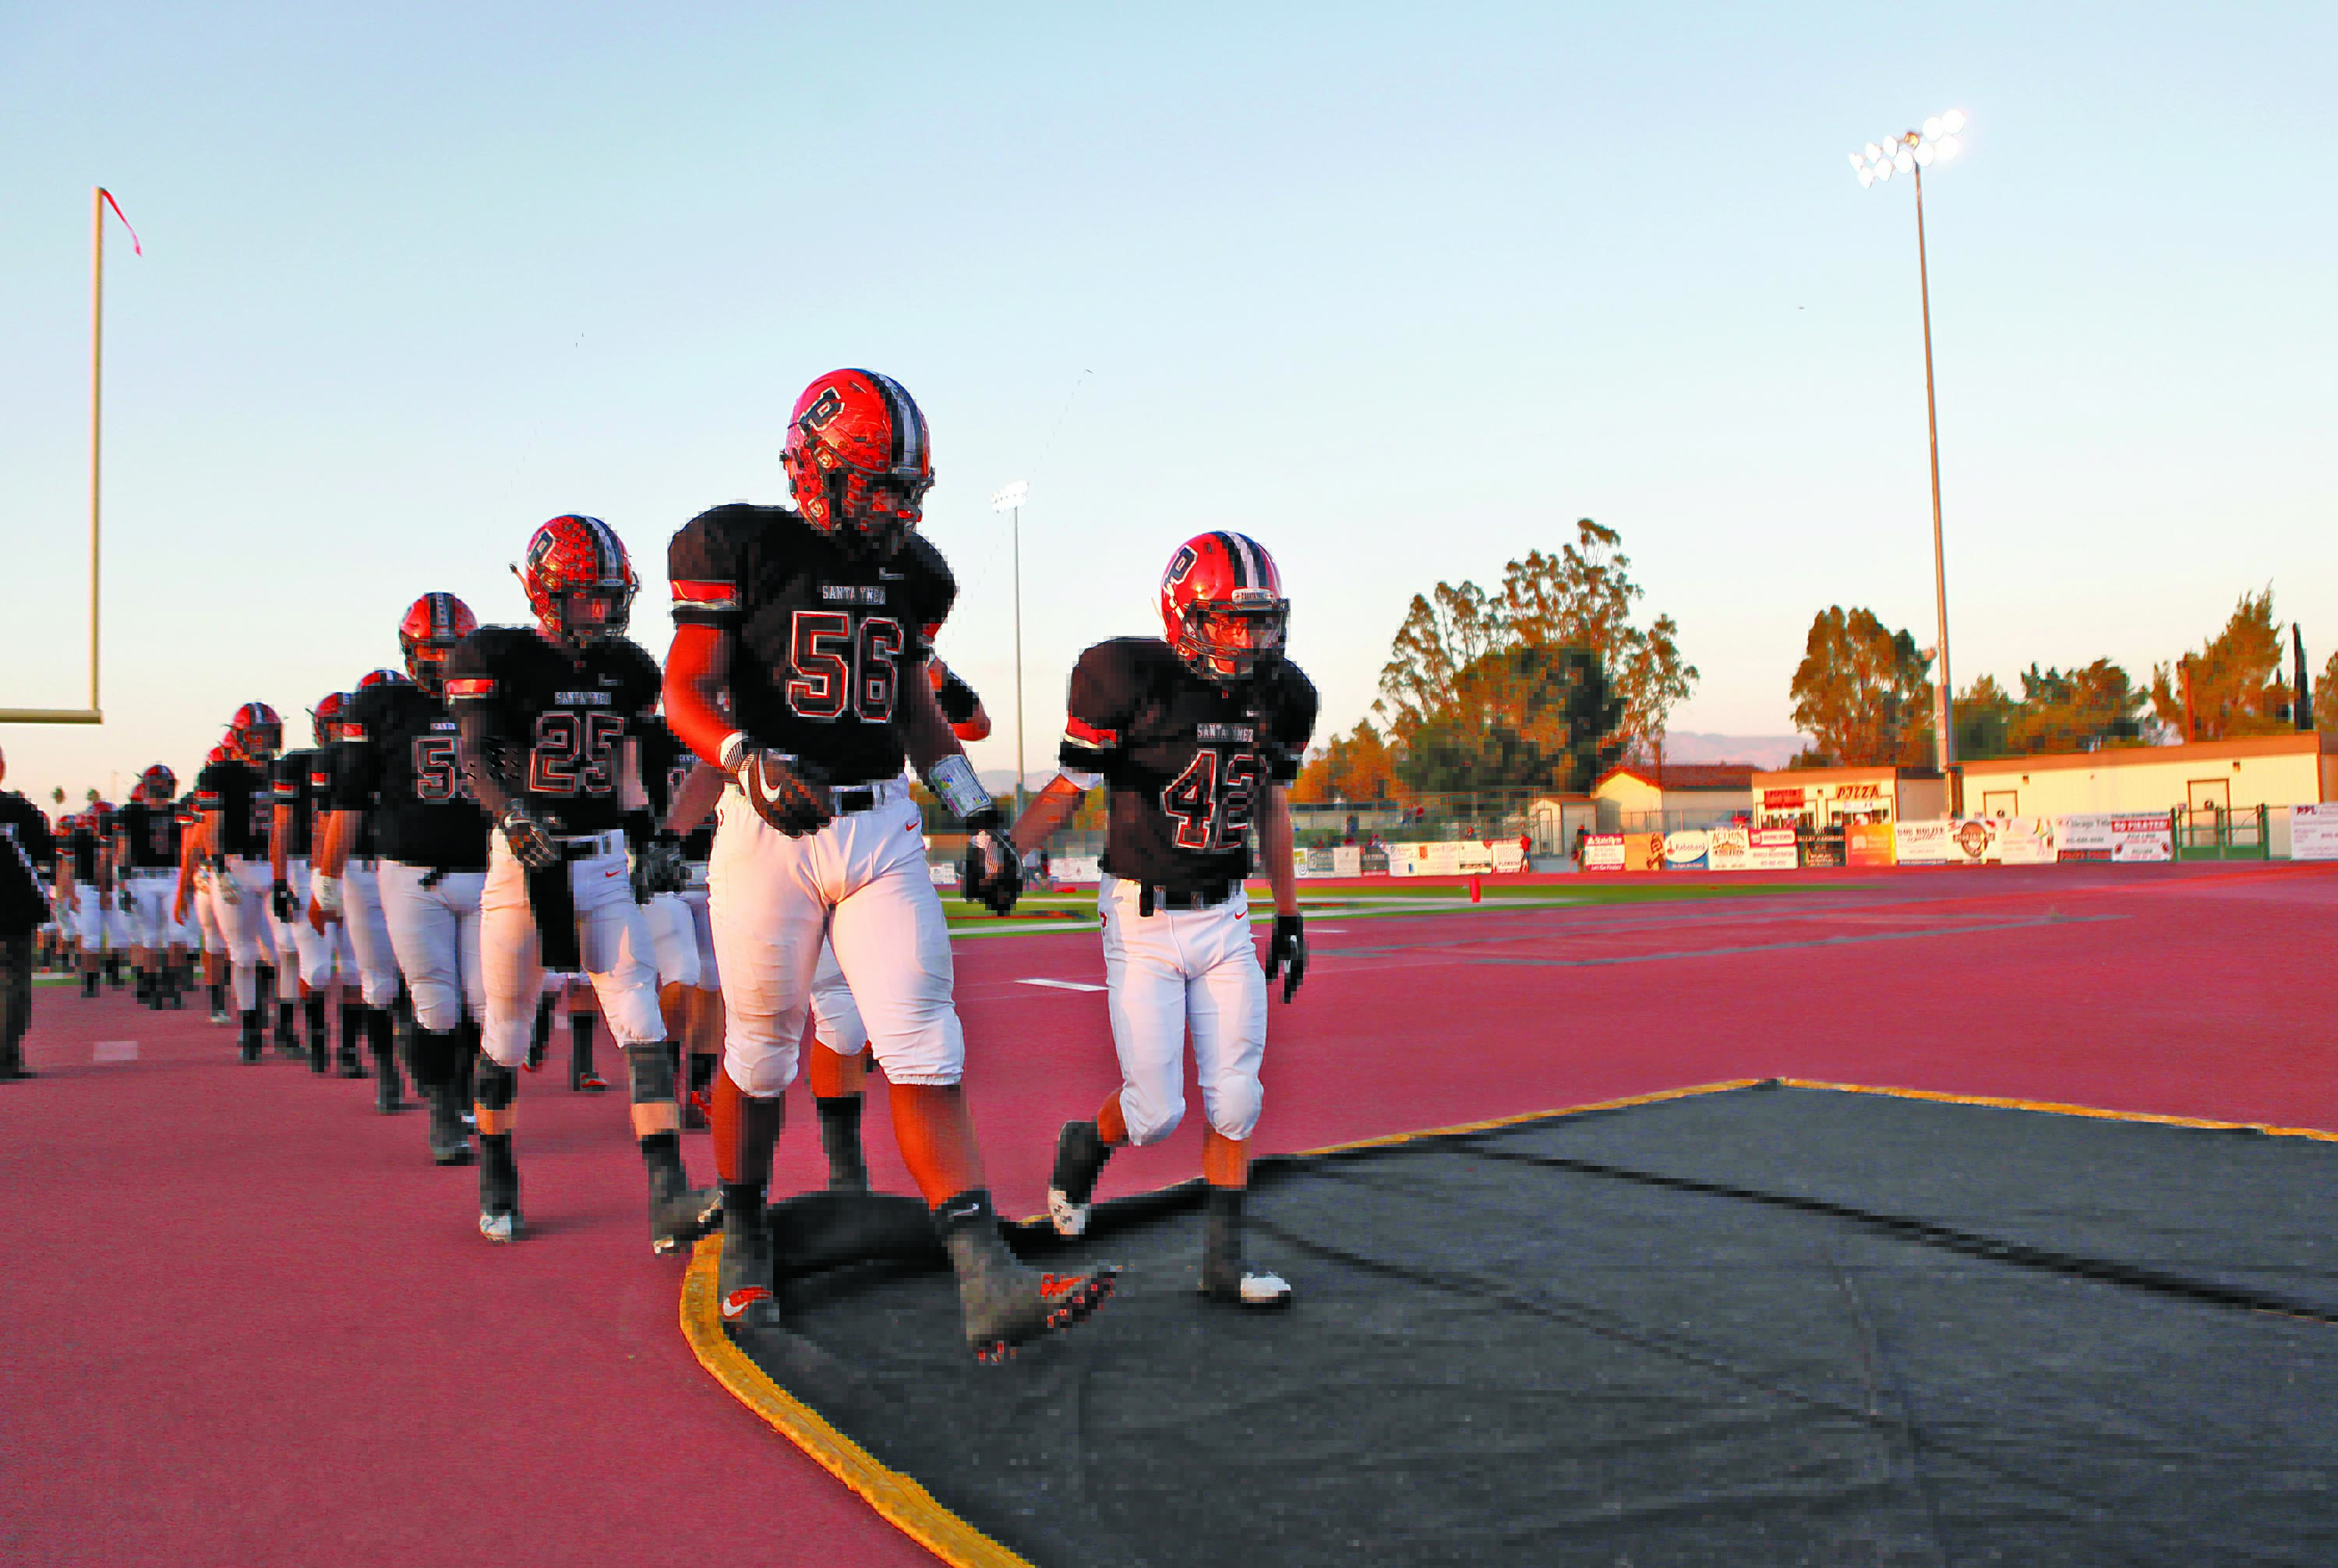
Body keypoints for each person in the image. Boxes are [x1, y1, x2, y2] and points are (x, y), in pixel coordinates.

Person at [662, 367, 1115, 1363]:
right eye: (877, 485)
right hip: (768, 823)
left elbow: (918, 716)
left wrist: (980, 819)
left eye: (907, 489)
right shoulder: (742, 546)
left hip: (879, 828)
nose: (896, 508)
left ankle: (983, 1269)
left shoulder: (916, 574)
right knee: (761, 1045)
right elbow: (685, 693)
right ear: (815, 468)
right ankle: (745, 1226)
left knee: (923, 1038)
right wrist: (745, 759)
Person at [1010, 531, 1316, 1308]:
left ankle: (1222, 1261)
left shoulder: (1282, 696)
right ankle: (1085, 1144)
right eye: (1234, 621)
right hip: (1143, 919)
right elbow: (1069, 787)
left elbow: (1273, 807)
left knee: (1238, 1096)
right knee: (1153, 1111)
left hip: (1224, 918)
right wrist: (1010, 850)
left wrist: (1288, 912)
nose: (1255, 638)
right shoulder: (1127, 677)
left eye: (1263, 620)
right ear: (1187, 616)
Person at [446, 514, 719, 1252]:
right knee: (504, 1033)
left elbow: (628, 779)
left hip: (600, 864)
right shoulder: (496, 656)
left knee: (644, 1026)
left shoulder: (627, 669)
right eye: (586, 599)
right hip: (525, 866)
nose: (601, 613)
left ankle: (667, 1195)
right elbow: (471, 761)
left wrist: (654, 839)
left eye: (609, 597)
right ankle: (498, 1173)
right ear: (545, 594)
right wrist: (511, 816)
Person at [320, 595, 500, 1144]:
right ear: (408, 651)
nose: (442, 662)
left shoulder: (493, 698)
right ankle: (444, 1110)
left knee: (485, 1000)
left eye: (451, 650)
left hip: (486, 868)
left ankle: (462, 1091)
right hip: (409, 871)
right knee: (434, 998)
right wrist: (327, 880)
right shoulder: (380, 706)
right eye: (431, 650)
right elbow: (349, 801)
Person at [185, 705, 286, 1061]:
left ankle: (285, 1024)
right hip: (237, 866)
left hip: (278, 867)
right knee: (243, 953)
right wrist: (218, 867)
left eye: (267, 736)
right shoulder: (219, 774)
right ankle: (250, 1025)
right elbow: (210, 826)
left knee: (283, 949)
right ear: (241, 738)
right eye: (255, 736)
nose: (262, 743)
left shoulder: (285, 769)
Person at [0, 746, 58, 1080]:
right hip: (14, 906)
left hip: (15, 906)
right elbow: (47, 852)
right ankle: (8, 1057)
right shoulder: (18, 807)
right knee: (13, 980)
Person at [111, 766, 186, 1009]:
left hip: (174, 876)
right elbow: (123, 849)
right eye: (160, 782)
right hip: (141, 878)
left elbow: (190, 845)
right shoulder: (131, 813)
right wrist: (123, 886)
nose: (164, 787)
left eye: (166, 782)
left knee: (178, 935)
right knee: (150, 937)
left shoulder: (180, 811)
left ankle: (172, 985)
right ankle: (151, 985)